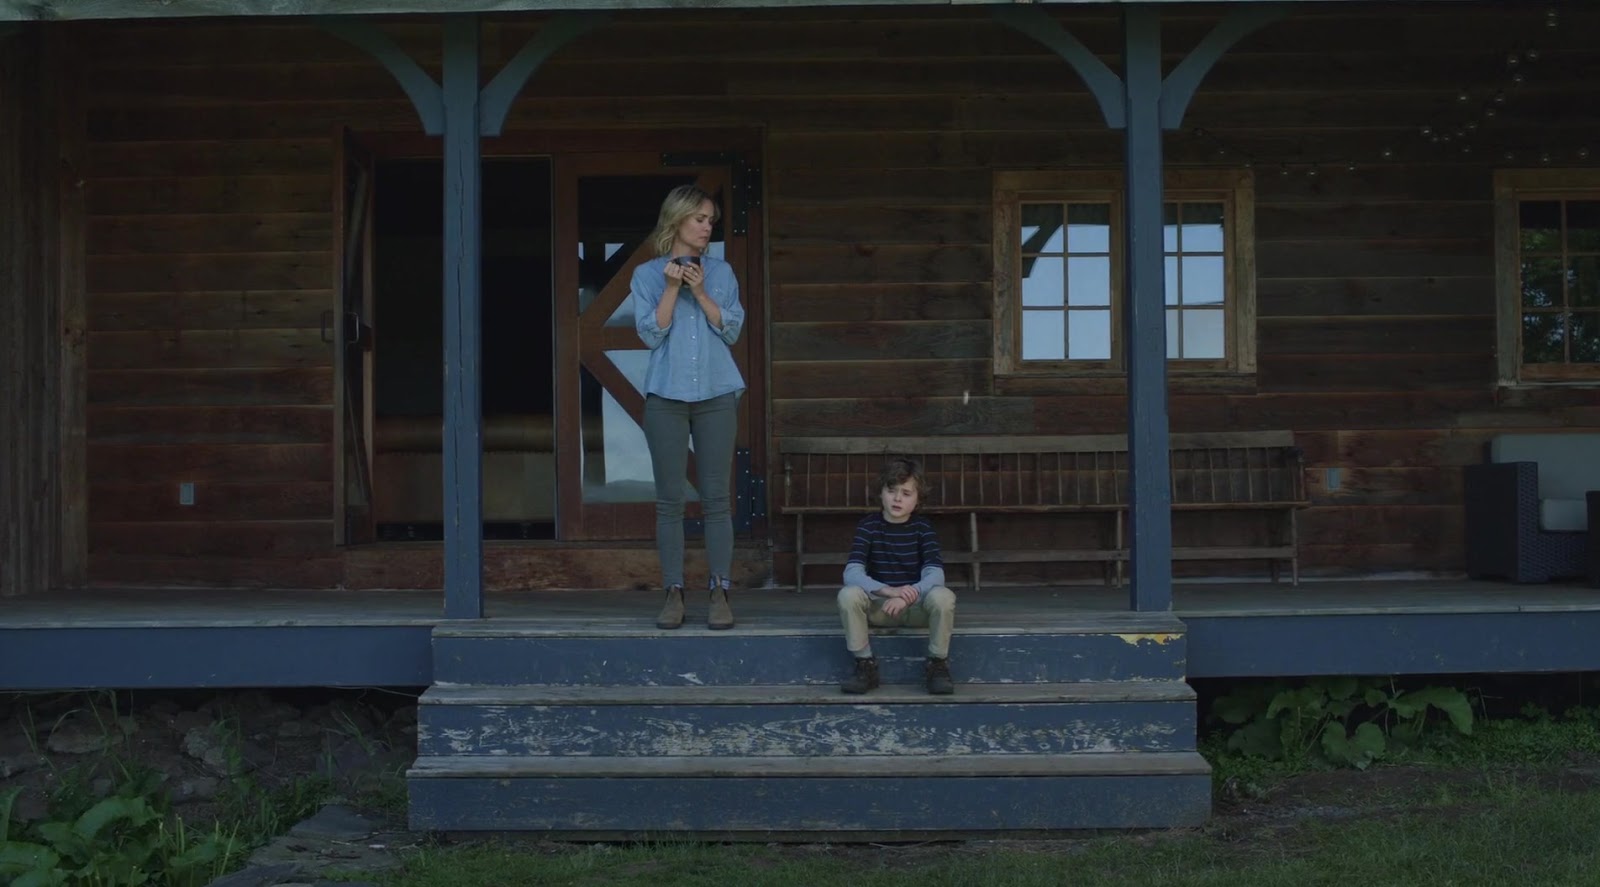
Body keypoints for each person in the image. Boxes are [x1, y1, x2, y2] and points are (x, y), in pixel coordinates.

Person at [632, 185, 746, 631]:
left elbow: (732, 330)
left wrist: (699, 293)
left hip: (716, 394)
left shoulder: (722, 272)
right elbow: (650, 335)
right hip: (666, 396)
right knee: (670, 501)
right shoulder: (646, 274)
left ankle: (719, 592)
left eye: (711, 220)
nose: (706, 227)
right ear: (676, 219)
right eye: (699, 219)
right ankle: (673, 593)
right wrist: (670, 288)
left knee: (717, 498)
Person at [837, 457, 957, 695]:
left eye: (906, 493)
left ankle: (937, 664)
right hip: (881, 608)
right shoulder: (868, 526)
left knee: (943, 596)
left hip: (916, 608)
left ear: (918, 498)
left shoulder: (923, 528)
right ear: (881, 494)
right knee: (848, 594)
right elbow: (852, 572)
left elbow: (935, 574)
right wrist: (889, 591)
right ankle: (865, 664)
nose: (897, 498)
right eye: (891, 491)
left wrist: (907, 596)